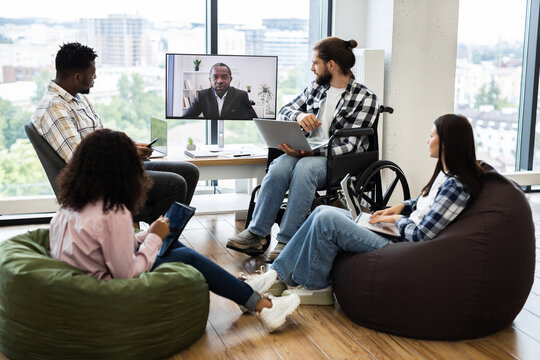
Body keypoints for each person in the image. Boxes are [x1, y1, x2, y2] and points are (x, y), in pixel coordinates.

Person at [49, 128, 300, 332]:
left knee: (171, 242)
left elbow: (101, 245)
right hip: (104, 296)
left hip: (79, 286)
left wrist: (146, 235)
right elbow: (128, 274)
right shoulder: (114, 212)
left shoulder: (70, 206)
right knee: (185, 256)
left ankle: (247, 297)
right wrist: (153, 240)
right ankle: (264, 308)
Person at [245, 114, 485, 305]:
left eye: (431, 135)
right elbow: (424, 204)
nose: (427, 140)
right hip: (396, 233)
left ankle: (317, 286)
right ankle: (277, 277)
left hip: (404, 246)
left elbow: (422, 235)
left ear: (447, 143)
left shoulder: (457, 185)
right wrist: (400, 207)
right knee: (320, 213)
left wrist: (394, 221)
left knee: (328, 218)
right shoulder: (445, 176)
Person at [227, 37, 379, 260]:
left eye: (315, 62)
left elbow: (351, 145)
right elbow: (284, 110)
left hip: (338, 159)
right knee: (278, 167)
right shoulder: (316, 89)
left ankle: (287, 240)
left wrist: (311, 153)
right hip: (305, 152)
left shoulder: (365, 98)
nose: (311, 68)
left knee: (306, 168)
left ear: (331, 65)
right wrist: (299, 115)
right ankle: (256, 233)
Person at [31, 42, 199, 224]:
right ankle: (154, 240)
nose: (95, 77)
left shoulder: (78, 99)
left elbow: (102, 141)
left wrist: (130, 147)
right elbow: (80, 160)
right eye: (92, 73)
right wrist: (128, 154)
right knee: (175, 184)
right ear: (78, 76)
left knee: (189, 171)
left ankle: (160, 236)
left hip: (112, 168)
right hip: (99, 180)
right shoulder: (55, 108)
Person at [183, 63, 257, 119]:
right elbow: (186, 119)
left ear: (230, 79)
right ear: (210, 80)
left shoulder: (241, 95)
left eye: (224, 77)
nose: (219, 81)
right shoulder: (202, 96)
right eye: (215, 77)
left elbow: (252, 121)